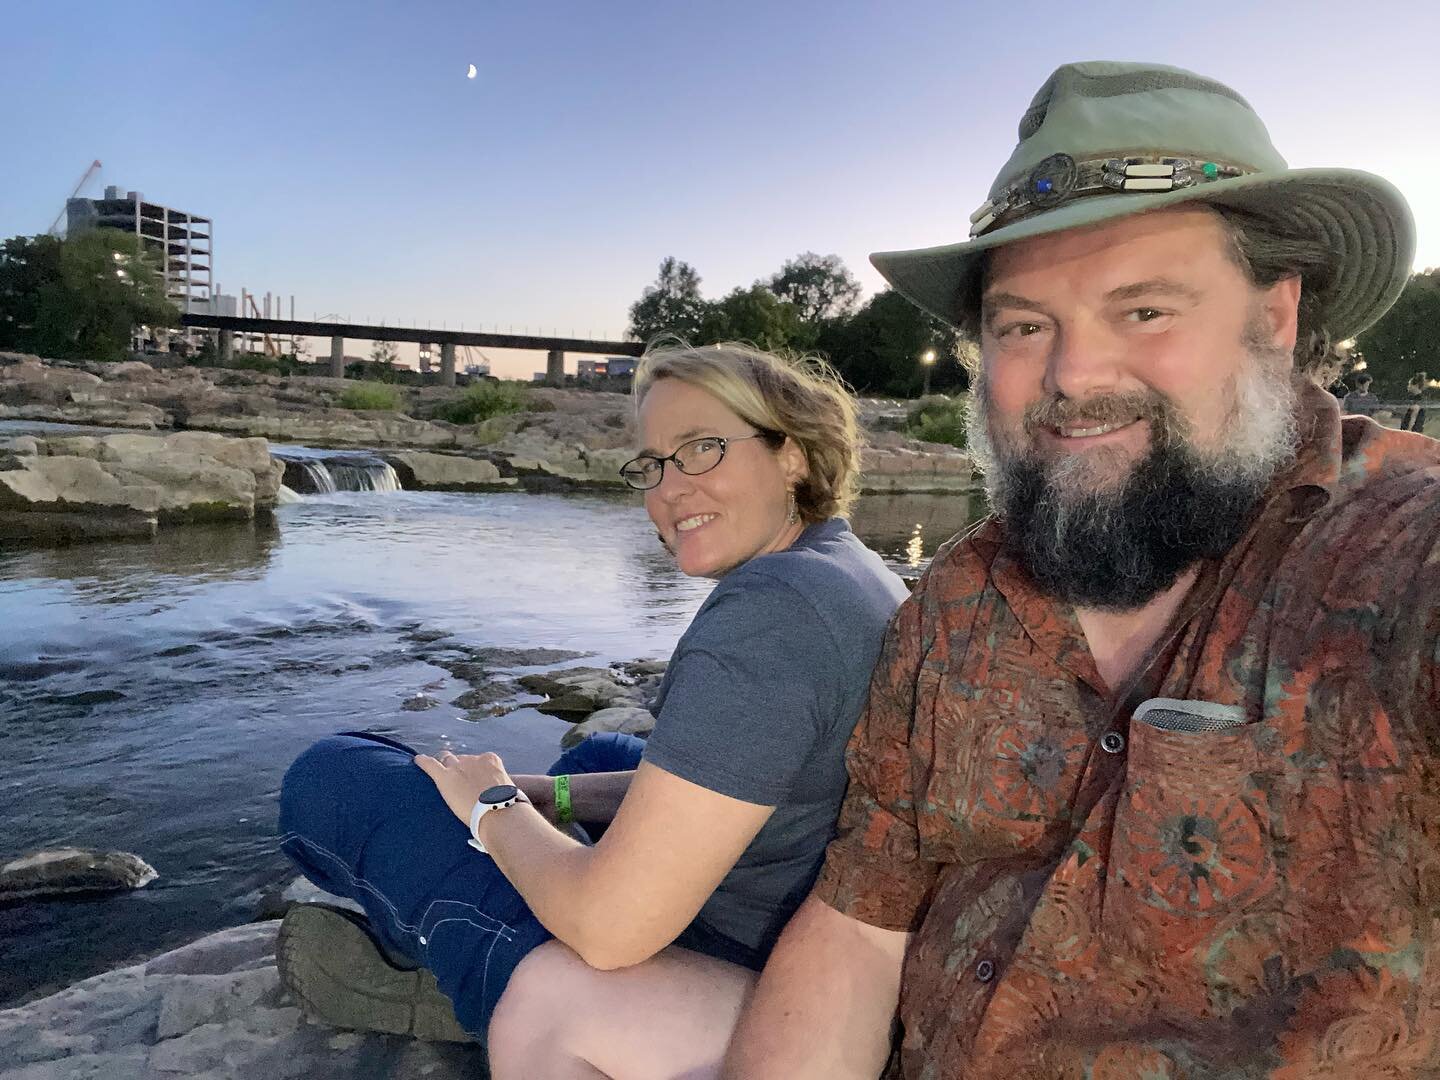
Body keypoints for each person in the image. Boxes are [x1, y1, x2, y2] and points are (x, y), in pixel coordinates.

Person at [725, 61, 1437, 1078]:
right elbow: (856, 930)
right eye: (1023, 327)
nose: (1072, 375)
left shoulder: (1398, 552)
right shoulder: (963, 598)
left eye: (1144, 309)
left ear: (1274, 319)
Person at [276, 342, 910, 1078]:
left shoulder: (769, 615)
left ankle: (468, 979)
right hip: (789, 902)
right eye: (652, 464)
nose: (669, 490)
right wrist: (551, 796)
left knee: (333, 777)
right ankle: (495, 934)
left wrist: (493, 807)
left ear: (792, 455)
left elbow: (612, 932)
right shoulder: (848, 566)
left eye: (702, 449)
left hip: (732, 964)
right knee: (589, 763)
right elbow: (766, 776)